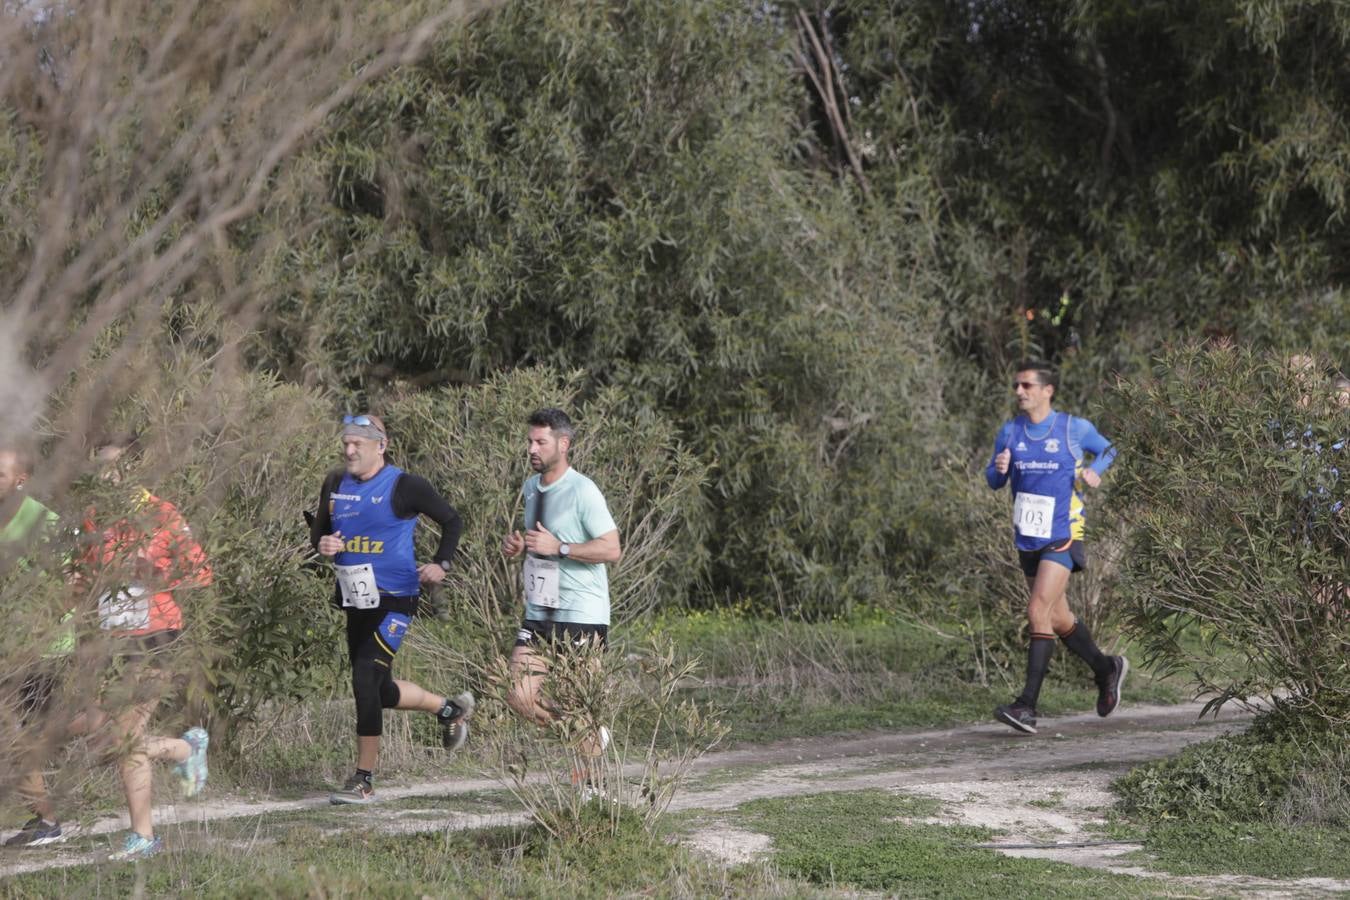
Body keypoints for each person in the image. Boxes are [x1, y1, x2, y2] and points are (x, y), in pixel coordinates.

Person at [53, 433, 214, 860]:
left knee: (126, 737)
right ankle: (183, 748)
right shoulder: (88, 518)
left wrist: (156, 574)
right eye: (99, 468)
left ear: (132, 470)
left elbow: (201, 573)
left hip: (157, 638)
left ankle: (143, 837)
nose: (106, 476)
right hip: (108, 642)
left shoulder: (161, 513)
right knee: (104, 737)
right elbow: (78, 578)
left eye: (114, 467)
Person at [310, 413, 473, 805]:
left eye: (358, 445)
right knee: (378, 691)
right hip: (354, 598)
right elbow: (319, 532)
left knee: (364, 679)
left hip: (396, 598)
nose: (349, 451)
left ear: (380, 447)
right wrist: (324, 546)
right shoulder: (335, 483)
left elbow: (452, 521)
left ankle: (362, 779)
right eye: (346, 443)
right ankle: (449, 708)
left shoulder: (404, 486)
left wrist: (442, 564)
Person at [986, 360, 1126, 734]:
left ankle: (1027, 706)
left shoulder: (1072, 428)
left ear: (1047, 390)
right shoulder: (1010, 431)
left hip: (1064, 533)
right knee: (1059, 618)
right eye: (1017, 385)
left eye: (1027, 386)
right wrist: (999, 469)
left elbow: (1110, 448)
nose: (1019, 392)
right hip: (1028, 537)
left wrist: (1097, 471)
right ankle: (1106, 668)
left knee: (1036, 610)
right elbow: (993, 481)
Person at [499, 408, 621, 785]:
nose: (531, 448)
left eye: (540, 442)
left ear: (563, 445)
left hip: (581, 612)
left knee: (581, 703)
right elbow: (542, 539)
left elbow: (611, 549)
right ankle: (585, 737)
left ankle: (594, 792)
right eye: (530, 441)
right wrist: (521, 545)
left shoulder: (583, 489)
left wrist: (561, 548)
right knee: (518, 696)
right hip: (539, 609)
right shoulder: (530, 488)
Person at [0, 443, 69, 848]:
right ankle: (44, 821)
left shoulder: (42, 522)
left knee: (23, 731)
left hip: (45, 648)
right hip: (10, 646)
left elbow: (70, 585)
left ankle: (158, 747)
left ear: (20, 481)